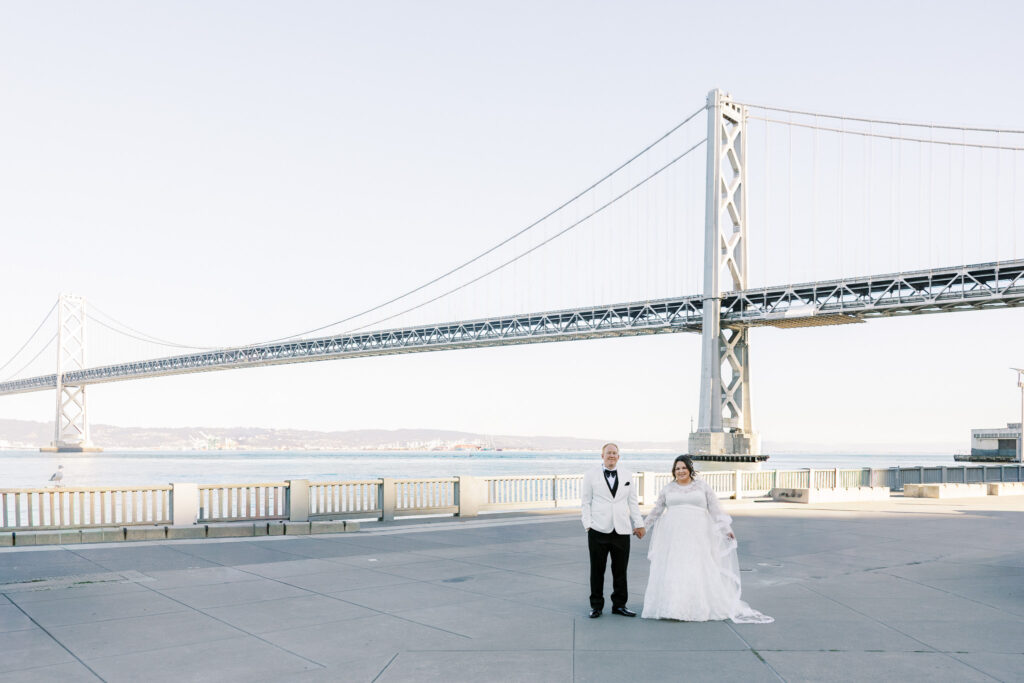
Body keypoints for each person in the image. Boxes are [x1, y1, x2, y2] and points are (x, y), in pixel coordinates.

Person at [641, 455, 773, 624]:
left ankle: (696, 606)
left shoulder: (702, 486)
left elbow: (715, 509)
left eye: (683, 468)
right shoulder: (668, 489)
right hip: (673, 535)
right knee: (675, 566)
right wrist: (644, 527)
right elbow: (656, 511)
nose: (680, 471)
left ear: (690, 469)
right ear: (673, 471)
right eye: (677, 468)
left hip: (698, 533)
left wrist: (726, 528)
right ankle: (673, 606)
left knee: (697, 566)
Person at [581, 442, 645, 618]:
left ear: (619, 456)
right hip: (597, 530)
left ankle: (619, 605)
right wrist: (588, 524)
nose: (611, 456)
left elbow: (633, 502)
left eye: (614, 453)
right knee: (597, 570)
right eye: (608, 453)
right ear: (602, 456)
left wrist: (639, 523)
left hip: (622, 530)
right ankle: (596, 606)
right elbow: (585, 502)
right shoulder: (590, 475)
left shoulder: (627, 475)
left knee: (620, 570)